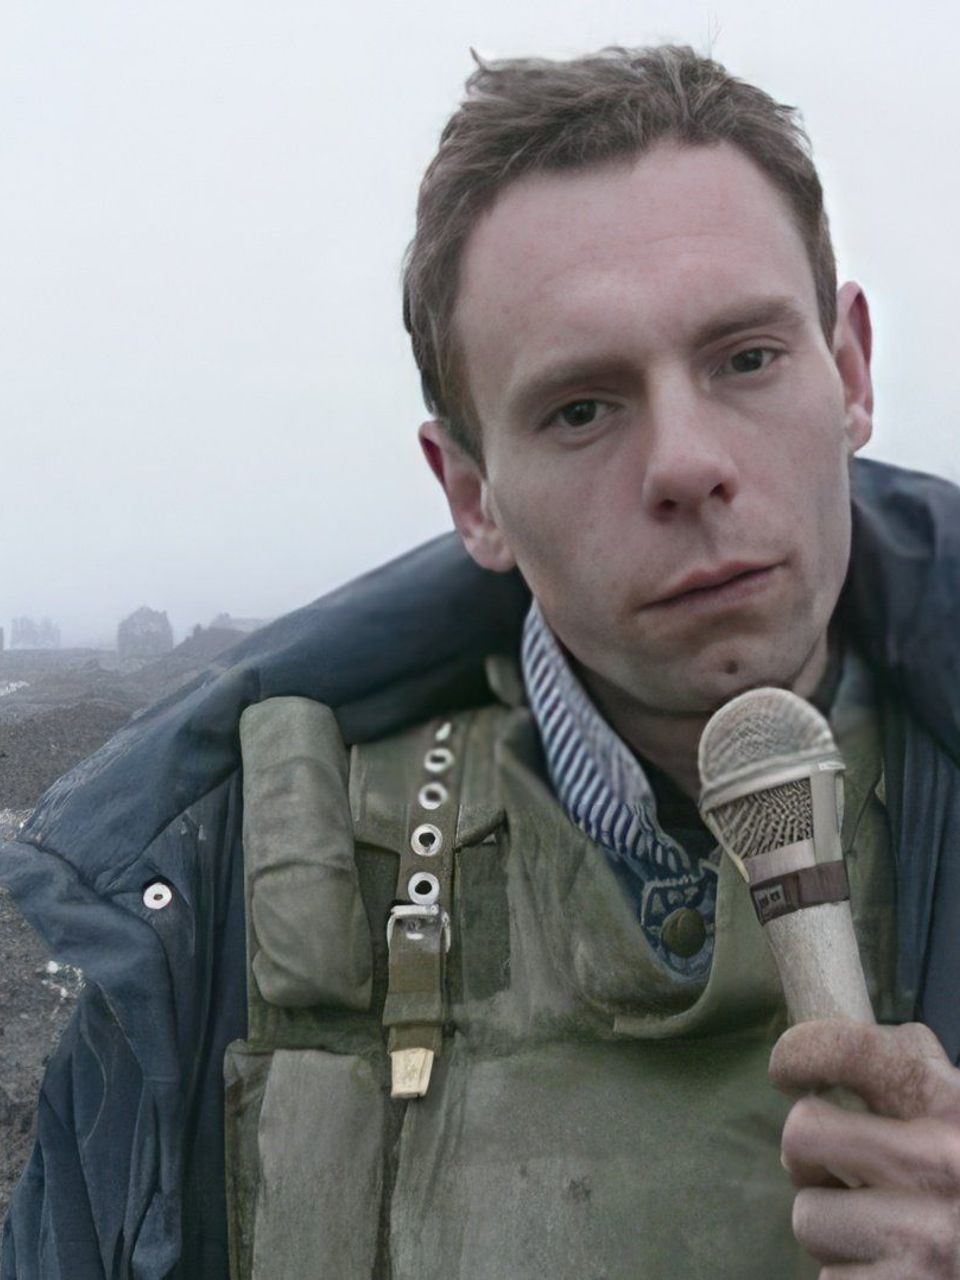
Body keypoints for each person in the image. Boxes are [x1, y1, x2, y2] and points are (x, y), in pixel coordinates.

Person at [4, 42, 960, 1280]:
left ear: (852, 370)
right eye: (581, 408)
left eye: (746, 358)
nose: (687, 462)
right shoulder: (217, 903)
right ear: (471, 493)